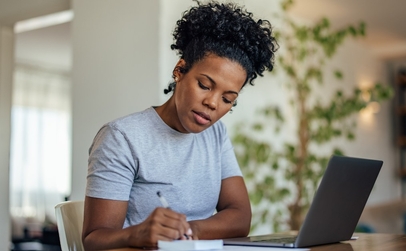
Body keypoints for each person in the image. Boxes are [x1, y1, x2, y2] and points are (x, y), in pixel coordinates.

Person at [82, 1, 277, 250]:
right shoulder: (122, 138)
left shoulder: (215, 134)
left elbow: (240, 216)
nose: (213, 103)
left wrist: (188, 232)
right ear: (180, 70)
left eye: (228, 99)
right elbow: (93, 240)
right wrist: (137, 234)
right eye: (205, 85)